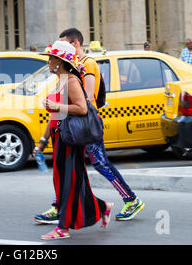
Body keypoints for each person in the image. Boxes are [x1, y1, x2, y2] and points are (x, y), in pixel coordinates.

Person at [34, 28, 144, 224]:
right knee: (69, 168)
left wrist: (72, 116)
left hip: (83, 126)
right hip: (73, 123)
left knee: (98, 163)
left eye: (65, 45)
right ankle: (60, 206)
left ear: (75, 44)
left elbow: (88, 100)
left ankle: (130, 199)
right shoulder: (67, 71)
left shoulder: (88, 64)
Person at [35, 40, 113, 240]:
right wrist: (43, 140)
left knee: (68, 182)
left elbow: (82, 108)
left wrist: (56, 106)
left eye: (51, 58)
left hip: (69, 139)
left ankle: (63, 228)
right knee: (71, 182)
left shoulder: (70, 80)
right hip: (58, 138)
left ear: (60, 61)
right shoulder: (60, 80)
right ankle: (103, 207)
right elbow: (54, 115)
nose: (48, 61)